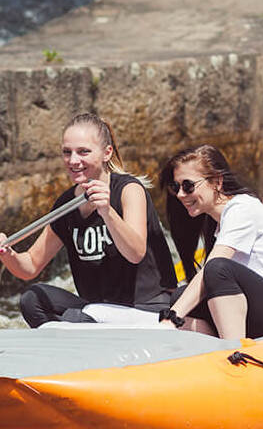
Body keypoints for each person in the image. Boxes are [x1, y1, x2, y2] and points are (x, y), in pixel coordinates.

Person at [0, 112, 177, 327]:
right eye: (67, 152)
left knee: (76, 319)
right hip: (97, 307)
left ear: (106, 153)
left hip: (145, 306)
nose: (73, 161)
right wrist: (7, 253)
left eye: (83, 152)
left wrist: (107, 211)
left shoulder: (128, 190)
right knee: (32, 298)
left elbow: (135, 253)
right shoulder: (66, 203)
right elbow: (30, 267)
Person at [159, 144, 263, 339]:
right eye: (176, 187)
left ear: (217, 182)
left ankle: (233, 351)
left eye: (188, 186)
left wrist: (171, 318)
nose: (180, 194)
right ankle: (212, 350)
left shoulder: (242, 207)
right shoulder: (215, 223)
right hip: (259, 312)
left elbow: (214, 268)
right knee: (181, 295)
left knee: (218, 269)